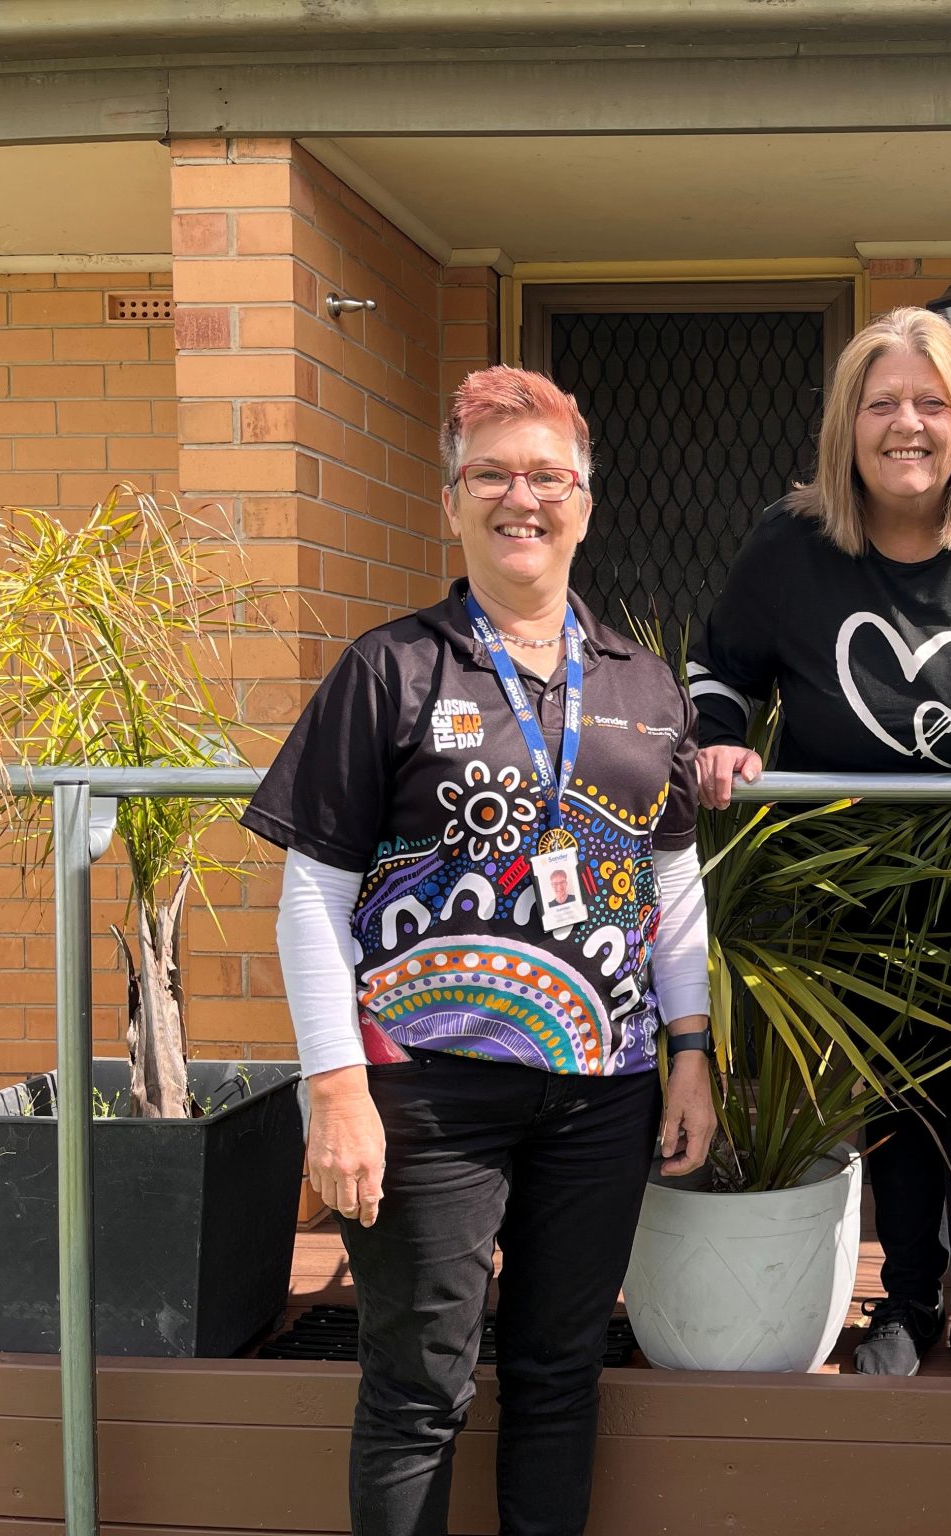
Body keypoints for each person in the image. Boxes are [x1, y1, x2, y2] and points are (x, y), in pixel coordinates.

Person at [244, 367, 717, 1536]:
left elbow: (671, 883)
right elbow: (311, 895)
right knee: (417, 1389)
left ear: (585, 502)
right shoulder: (389, 669)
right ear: (451, 500)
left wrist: (690, 1049)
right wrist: (336, 1085)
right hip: (424, 1094)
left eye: (546, 475)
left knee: (561, 1380)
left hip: (601, 1096)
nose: (522, 498)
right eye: (491, 474)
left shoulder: (644, 685)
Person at [687, 307, 951, 1380]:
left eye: (929, 402)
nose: (905, 425)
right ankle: (905, 1307)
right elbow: (719, 668)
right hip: (851, 887)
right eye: (881, 404)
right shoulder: (790, 542)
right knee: (897, 1103)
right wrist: (722, 739)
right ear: (845, 423)